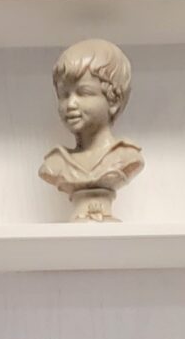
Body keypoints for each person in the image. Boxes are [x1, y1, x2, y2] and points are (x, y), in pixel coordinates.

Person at [39, 38, 145, 222]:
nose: (70, 104)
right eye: (64, 95)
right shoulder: (55, 163)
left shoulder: (127, 157)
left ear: (113, 100)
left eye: (84, 93)